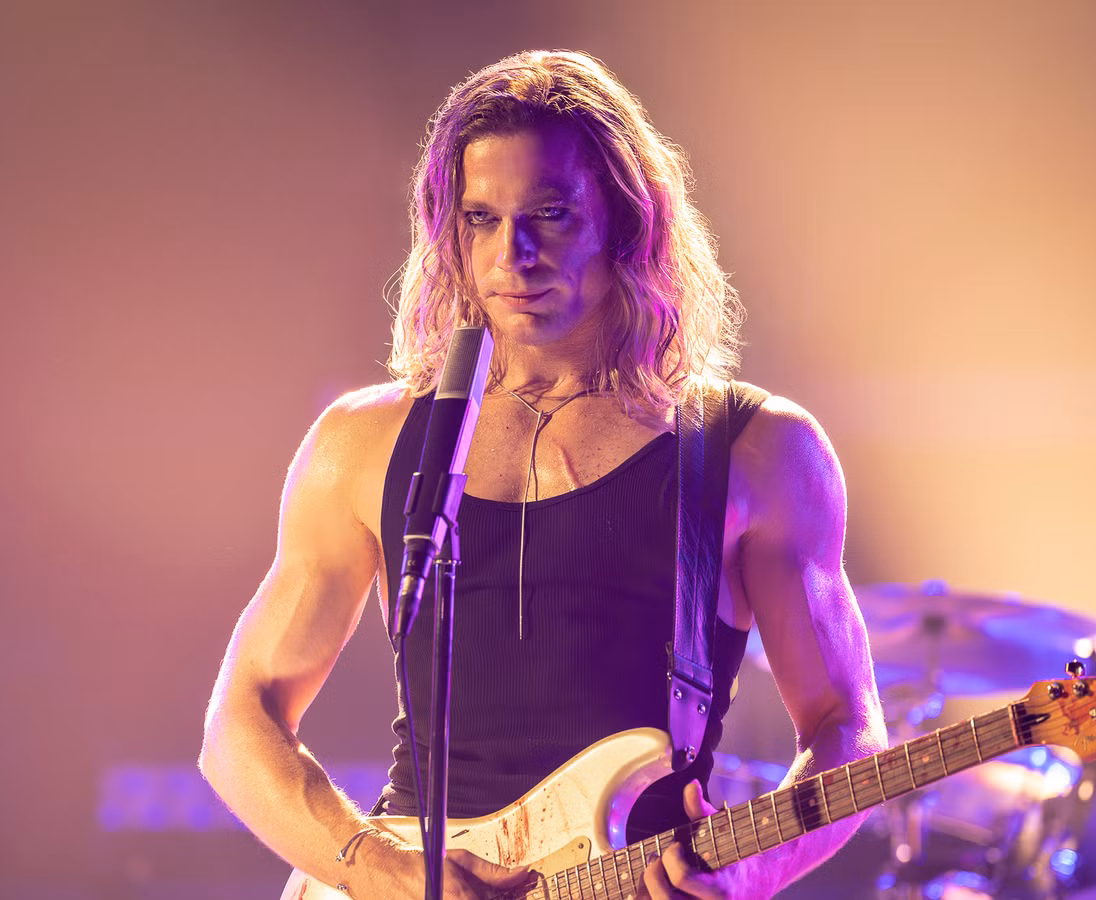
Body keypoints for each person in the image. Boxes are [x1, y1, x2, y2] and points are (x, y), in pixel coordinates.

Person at [199, 50, 886, 899]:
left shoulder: (756, 449)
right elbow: (239, 722)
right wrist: (384, 870)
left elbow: (846, 726)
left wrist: (751, 868)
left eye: (551, 214)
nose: (512, 254)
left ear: (627, 223)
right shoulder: (362, 443)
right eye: (481, 219)